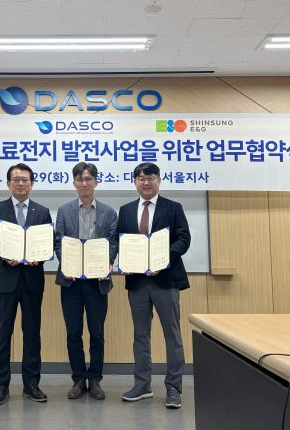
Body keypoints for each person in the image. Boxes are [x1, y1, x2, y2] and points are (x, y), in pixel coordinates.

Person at [117, 162, 191, 409]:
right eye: (140, 178)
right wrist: (122, 262)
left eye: (150, 177)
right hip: (137, 282)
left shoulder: (173, 207)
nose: (145, 182)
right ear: (135, 182)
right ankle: (142, 384)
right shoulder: (126, 210)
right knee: (140, 335)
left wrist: (162, 258)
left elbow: (184, 239)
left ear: (159, 180)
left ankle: (173, 387)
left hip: (165, 280)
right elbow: (122, 242)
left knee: (172, 335)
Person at [0, 163, 52, 406]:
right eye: (16, 179)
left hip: (32, 281)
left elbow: (48, 243)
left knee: (32, 334)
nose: (21, 183)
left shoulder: (42, 212)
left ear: (32, 183)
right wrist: (2, 253)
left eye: (25, 180)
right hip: (5, 281)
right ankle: (1, 386)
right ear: (8, 183)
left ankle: (31, 384)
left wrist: (40, 256)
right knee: (2, 335)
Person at [55, 162, 118, 400]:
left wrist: (106, 263)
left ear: (96, 182)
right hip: (71, 281)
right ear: (74, 183)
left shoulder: (109, 212)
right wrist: (67, 263)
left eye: (89, 179)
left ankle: (95, 379)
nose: (84, 183)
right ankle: (79, 379)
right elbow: (59, 241)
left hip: (97, 282)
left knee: (97, 332)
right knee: (73, 332)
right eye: (80, 179)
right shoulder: (64, 210)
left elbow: (113, 243)